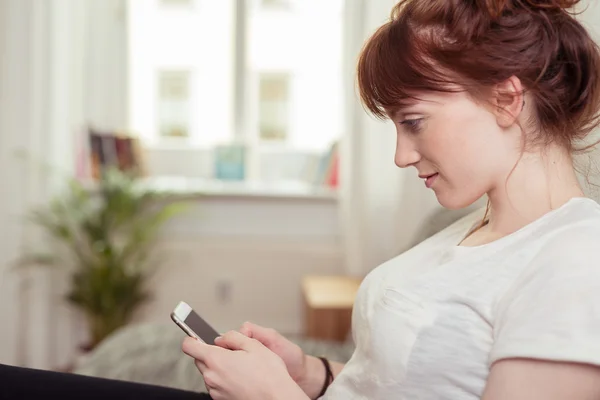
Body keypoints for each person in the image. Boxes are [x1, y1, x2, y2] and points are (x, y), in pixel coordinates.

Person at [2, 0, 600, 399]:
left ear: (505, 99)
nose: (400, 154)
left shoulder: (575, 259)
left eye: (413, 120)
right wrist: (311, 375)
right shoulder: (471, 228)